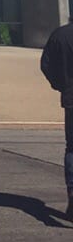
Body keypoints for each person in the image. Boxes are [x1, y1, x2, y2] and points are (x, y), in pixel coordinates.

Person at [40, 18, 73, 220]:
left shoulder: (60, 35)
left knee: (72, 148)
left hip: (71, 99)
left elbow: (46, 65)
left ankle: (72, 188)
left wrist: (60, 85)